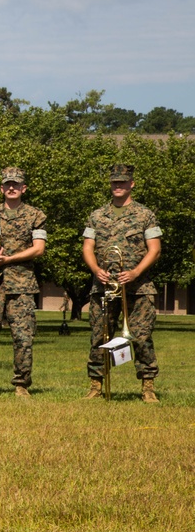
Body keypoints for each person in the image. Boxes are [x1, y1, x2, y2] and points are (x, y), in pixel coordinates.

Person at [81, 164, 162, 403]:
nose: (118, 186)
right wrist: (96, 269)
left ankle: (148, 387)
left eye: (123, 182)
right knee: (99, 336)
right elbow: (87, 247)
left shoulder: (145, 215)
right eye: (114, 182)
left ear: (131, 184)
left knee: (141, 337)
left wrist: (136, 272)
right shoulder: (96, 215)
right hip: (104, 287)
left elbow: (155, 250)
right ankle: (96, 385)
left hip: (138, 288)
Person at [0, 167, 47, 397]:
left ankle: (21, 384)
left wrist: (10, 258)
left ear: (23, 188)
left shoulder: (36, 215)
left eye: (16, 184)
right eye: (7, 184)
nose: (11, 188)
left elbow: (39, 249)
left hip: (21, 284)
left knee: (23, 337)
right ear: (2, 188)